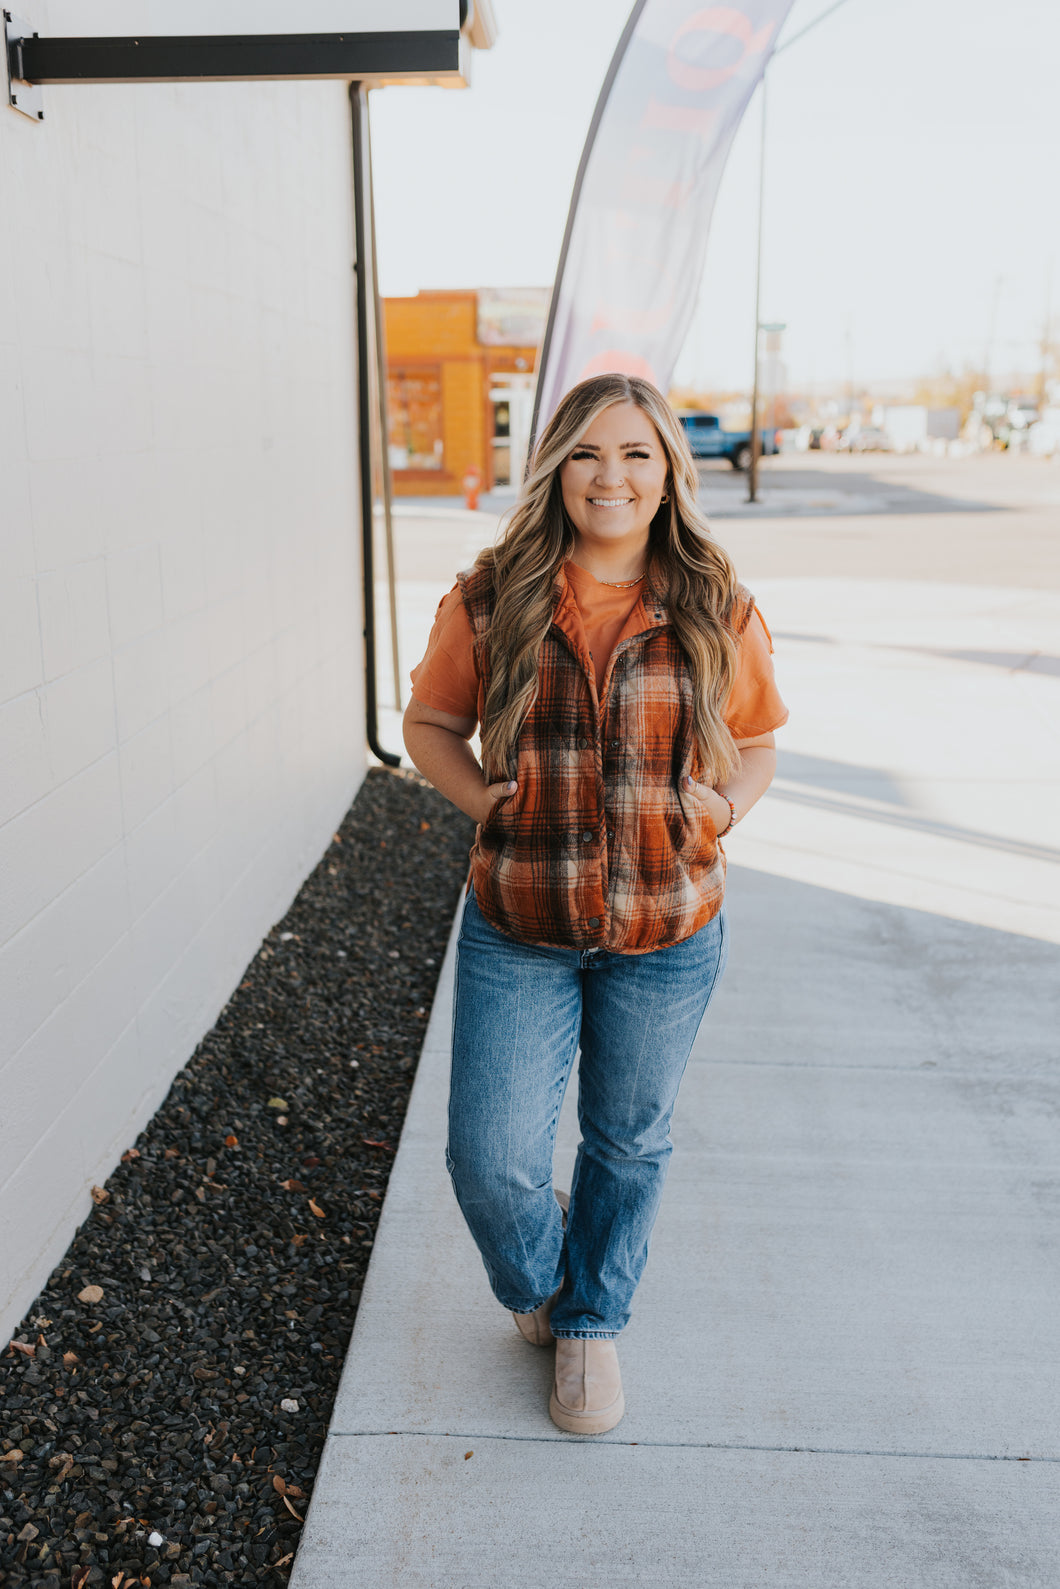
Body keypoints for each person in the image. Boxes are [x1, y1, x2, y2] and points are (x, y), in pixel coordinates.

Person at [403, 373, 787, 1435]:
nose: (609, 476)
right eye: (585, 453)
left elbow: (756, 741)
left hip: (667, 928)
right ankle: (540, 1281)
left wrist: (724, 808)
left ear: (668, 472)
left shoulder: (715, 601)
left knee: (626, 1140)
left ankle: (589, 1319)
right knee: (490, 1157)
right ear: (555, 467)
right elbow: (428, 723)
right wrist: (481, 797)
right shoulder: (493, 596)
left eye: (634, 454)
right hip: (518, 923)